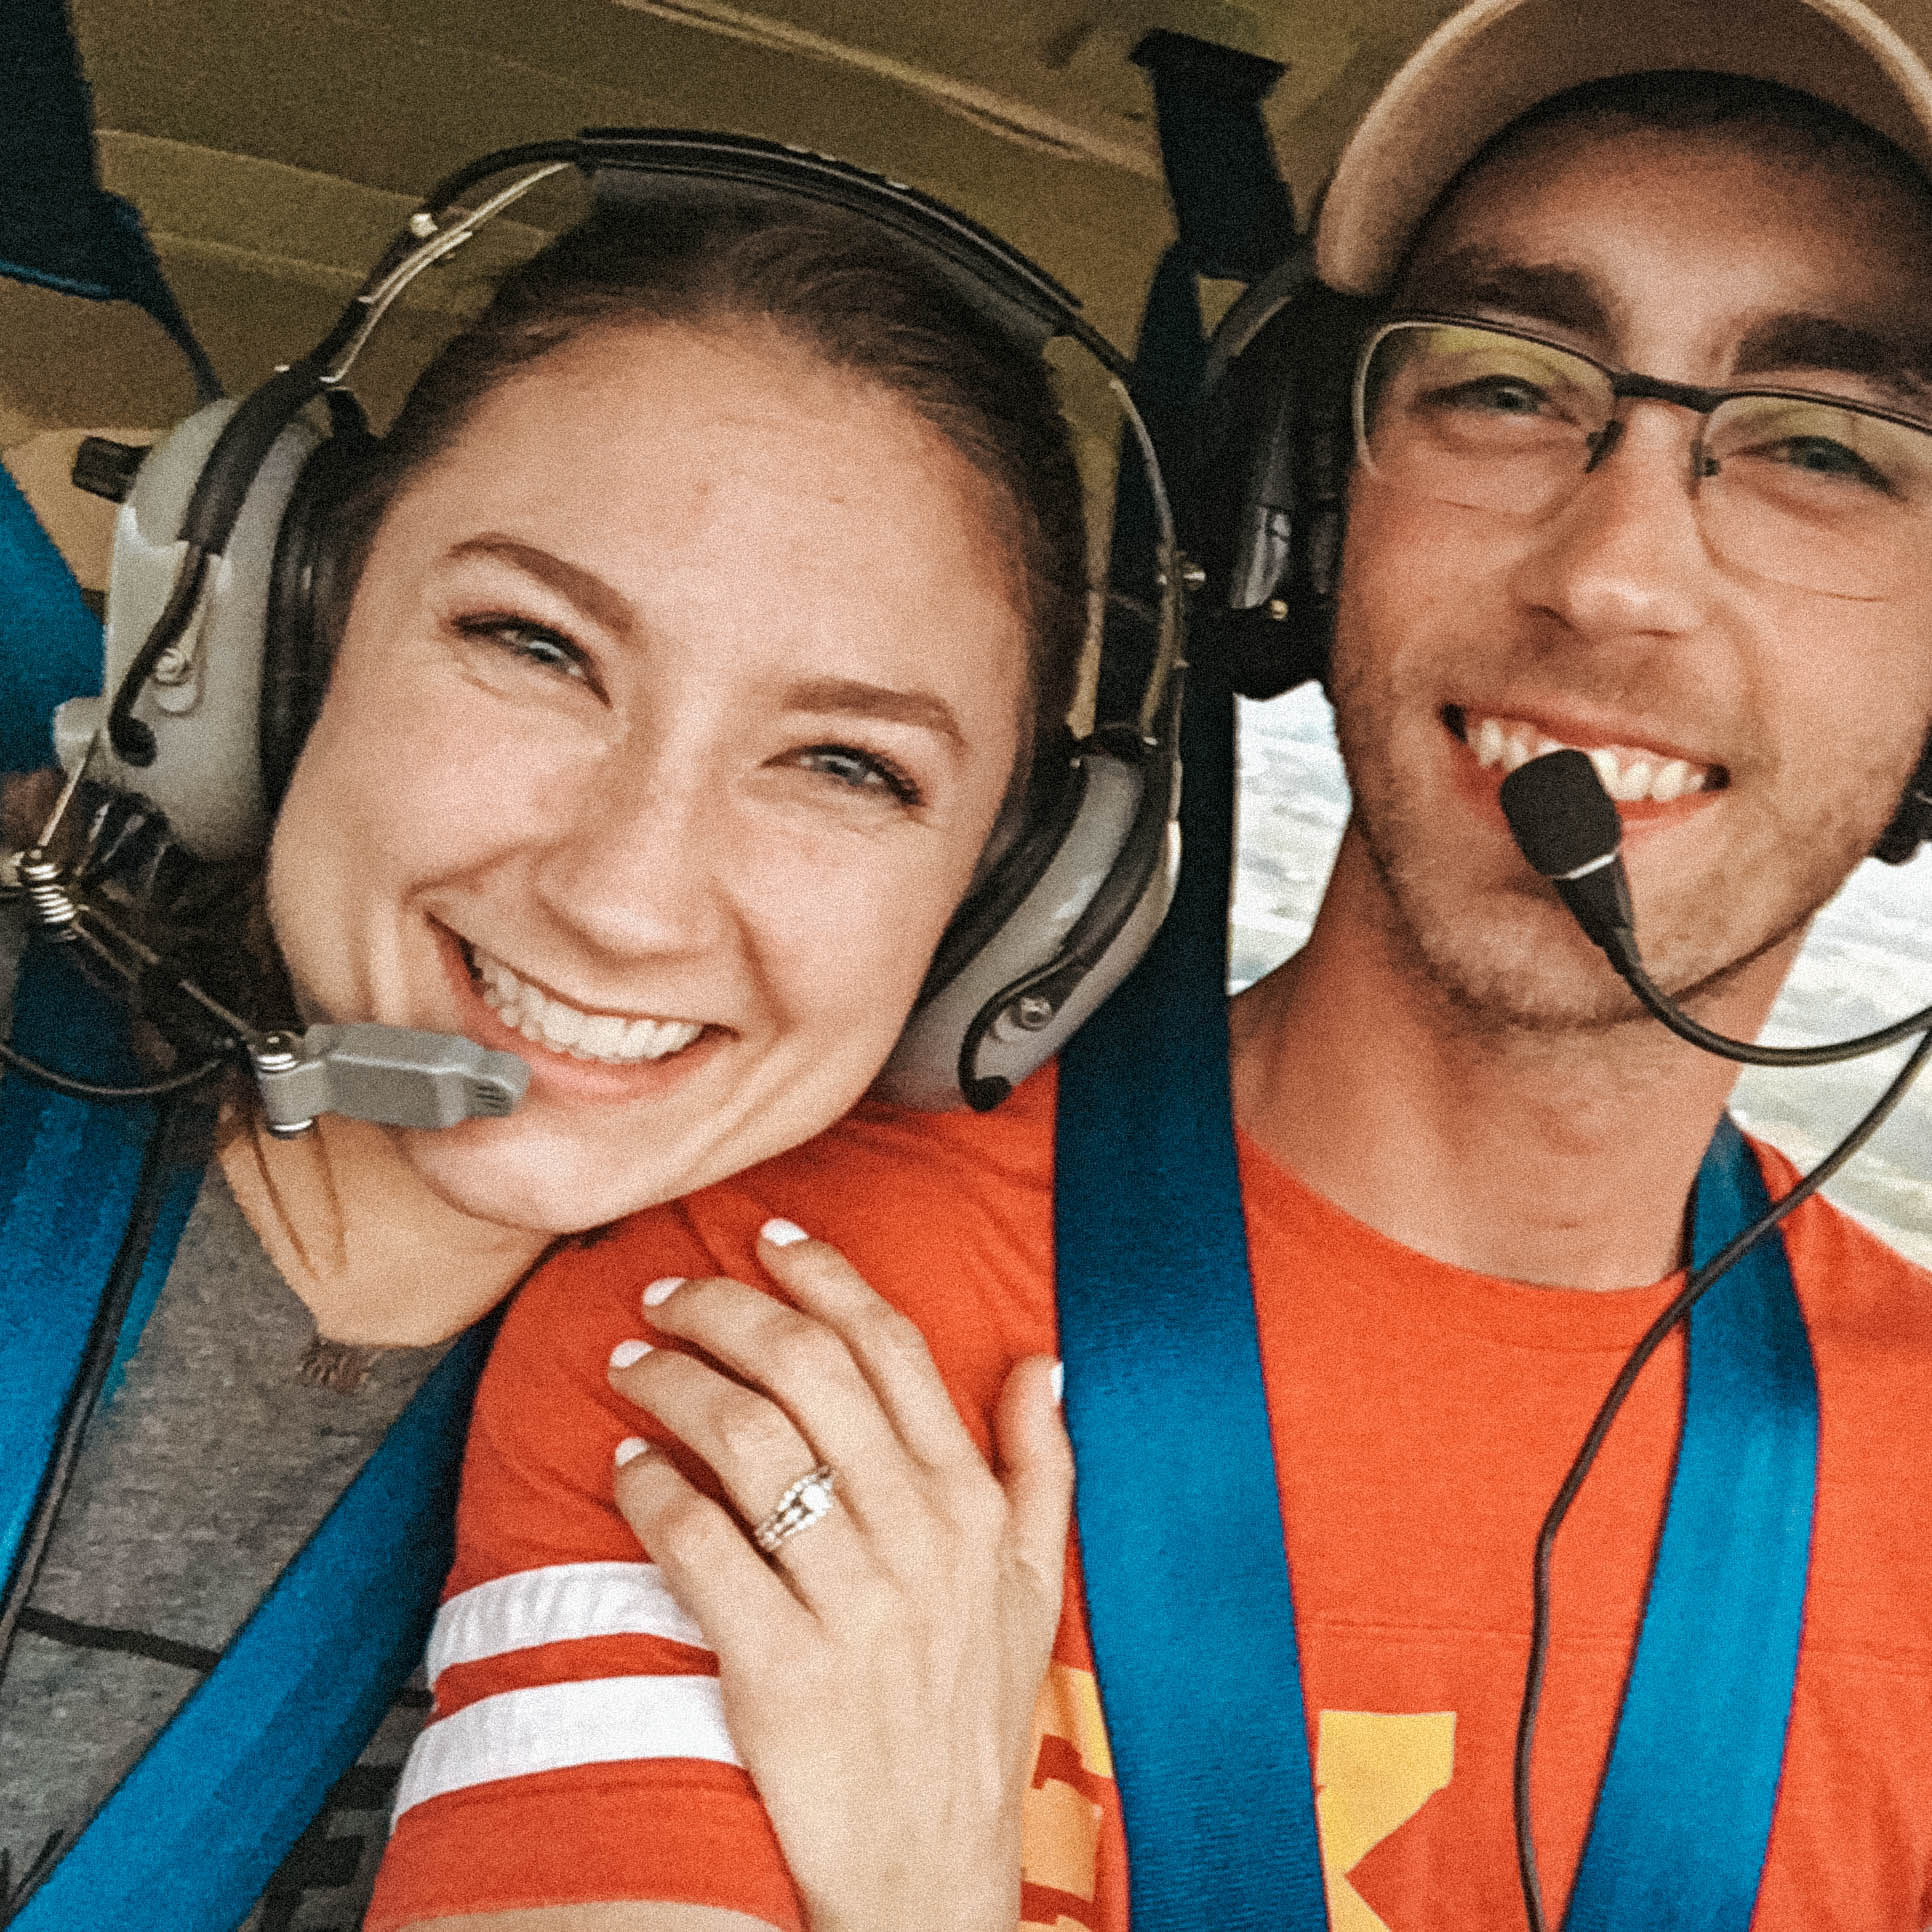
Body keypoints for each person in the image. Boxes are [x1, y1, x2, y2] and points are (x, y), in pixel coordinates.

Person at [369, 1, 1932, 1929]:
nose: (1612, 574)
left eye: (1826, 449)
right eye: (1506, 387)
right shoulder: (776, 1332)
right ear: (1300, 517)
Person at [0, 182, 1095, 1927]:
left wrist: (928, 1895)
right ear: (287, 637)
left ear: (1011, 916)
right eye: (534, 646)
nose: (626, 895)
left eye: (844, 766)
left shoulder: (855, 1502)